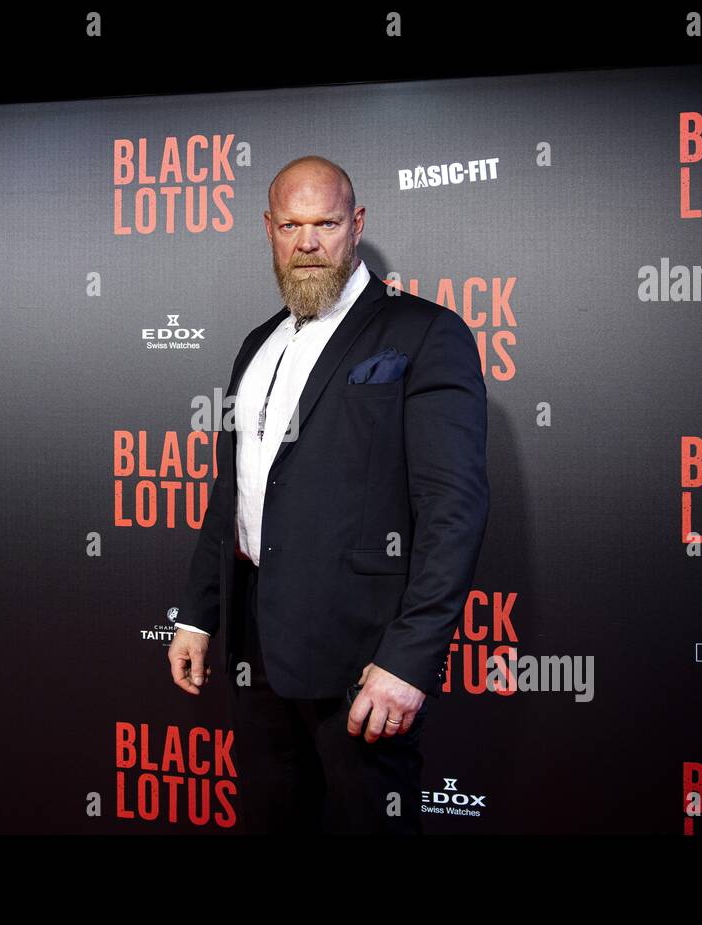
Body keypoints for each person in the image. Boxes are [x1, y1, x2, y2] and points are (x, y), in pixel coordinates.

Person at [167, 155, 489, 834]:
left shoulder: (425, 333)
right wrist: (199, 614)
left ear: (356, 224)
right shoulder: (257, 344)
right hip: (256, 648)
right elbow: (235, 490)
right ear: (269, 229)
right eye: (291, 223)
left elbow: (452, 511)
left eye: (326, 223)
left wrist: (406, 661)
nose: (307, 241)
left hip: (360, 661)